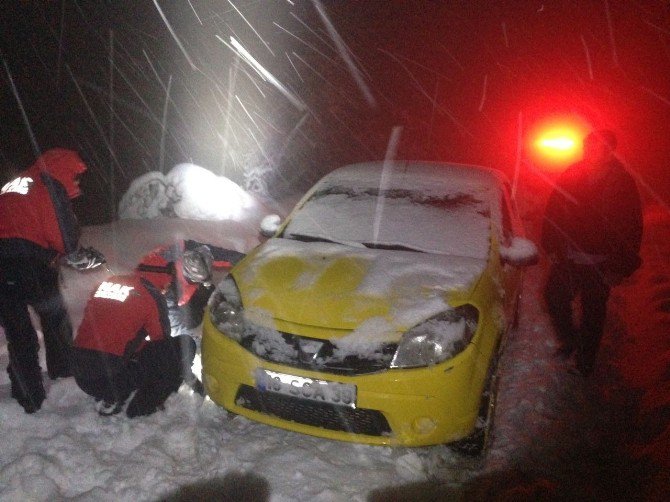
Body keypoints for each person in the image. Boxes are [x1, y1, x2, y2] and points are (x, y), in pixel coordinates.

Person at [0, 148, 104, 413]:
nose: (77, 183)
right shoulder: (48, 184)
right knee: (55, 319)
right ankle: (64, 376)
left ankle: (28, 397)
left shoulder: (15, 183)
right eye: (76, 176)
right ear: (63, 167)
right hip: (30, 263)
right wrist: (79, 255)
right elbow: (64, 237)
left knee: (19, 332)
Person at [541, 130, 643, 376]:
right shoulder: (572, 174)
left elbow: (632, 225)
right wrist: (552, 244)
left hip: (601, 262)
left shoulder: (622, 183)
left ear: (609, 151)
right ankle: (571, 341)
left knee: (593, 312)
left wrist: (620, 267)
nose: (591, 152)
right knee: (554, 296)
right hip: (570, 256)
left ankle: (585, 363)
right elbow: (554, 209)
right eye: (589, 147)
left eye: (597, 147)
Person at [72, 264, 196, 417]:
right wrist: (183, 372)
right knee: (182, 345)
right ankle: (142, 408)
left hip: (80, 373)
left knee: (130, 349)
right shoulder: (152, 294)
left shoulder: (107, 282)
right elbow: (162, 343)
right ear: (166, 281)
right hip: (109, 377)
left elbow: (109, 328)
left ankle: (114, 396)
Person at [137, 239, 245, 338]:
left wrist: (245, 260)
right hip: (149, 297)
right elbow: (174, 327)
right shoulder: (168, 292)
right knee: (193, 320)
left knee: (209, 290)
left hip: (170, 279)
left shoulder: (186, 251)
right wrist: (196, 338)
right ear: (191, 279)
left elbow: (221, 255)